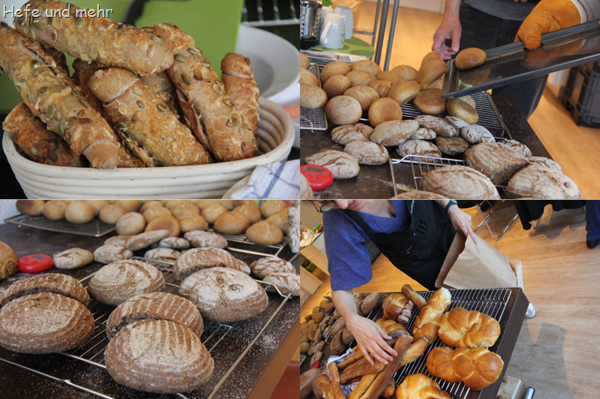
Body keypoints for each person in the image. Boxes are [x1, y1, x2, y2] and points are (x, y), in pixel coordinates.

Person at [319, 199, 476, 365]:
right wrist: (351, 318)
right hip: (426, 267)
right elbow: (341, 286)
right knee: (463, 309)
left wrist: (451, 206)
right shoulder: (337, 219)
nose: (343, 204)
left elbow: (429, 182)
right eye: (328, 201)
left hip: (453, 232)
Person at [432, 0, 600, 119]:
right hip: (475, 15)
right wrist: (450, 15)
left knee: (512, 120)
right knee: (448, 112)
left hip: (541, 25)